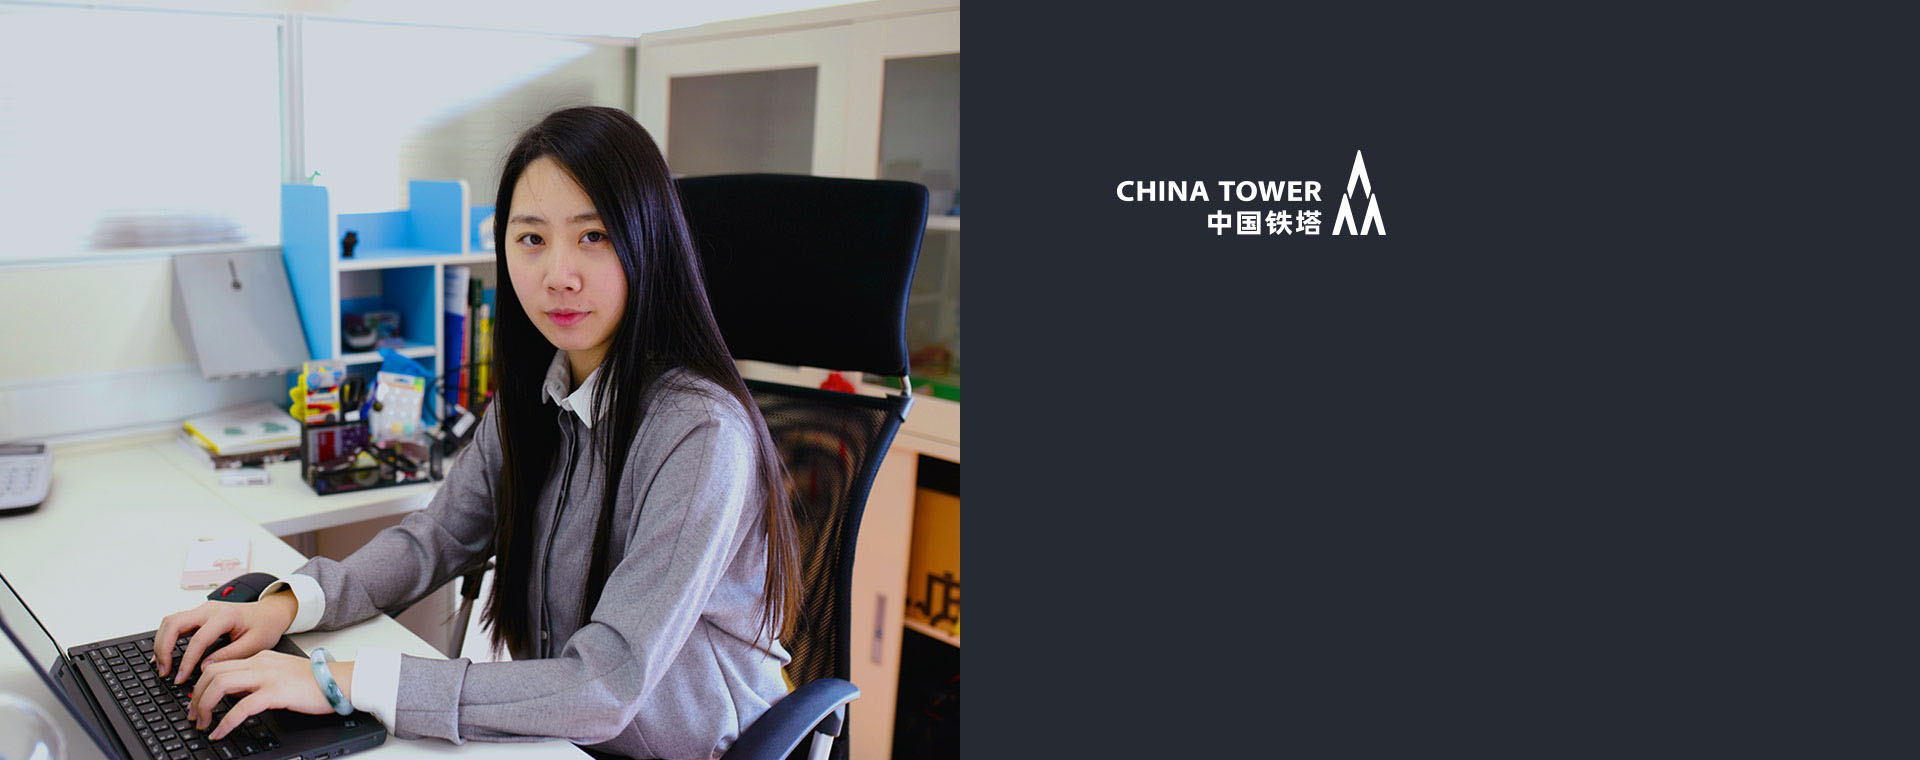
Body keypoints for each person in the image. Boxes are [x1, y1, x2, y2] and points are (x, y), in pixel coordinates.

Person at [149, 106, 801, 760]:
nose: (559, 274)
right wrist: (286, 605)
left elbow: (604, 685)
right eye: (532, 238)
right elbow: (436, 536)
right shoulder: (537, 393)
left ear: (647, 242)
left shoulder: (701, 434)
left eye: (594, 235)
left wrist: (342, 681)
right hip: (557, 741)